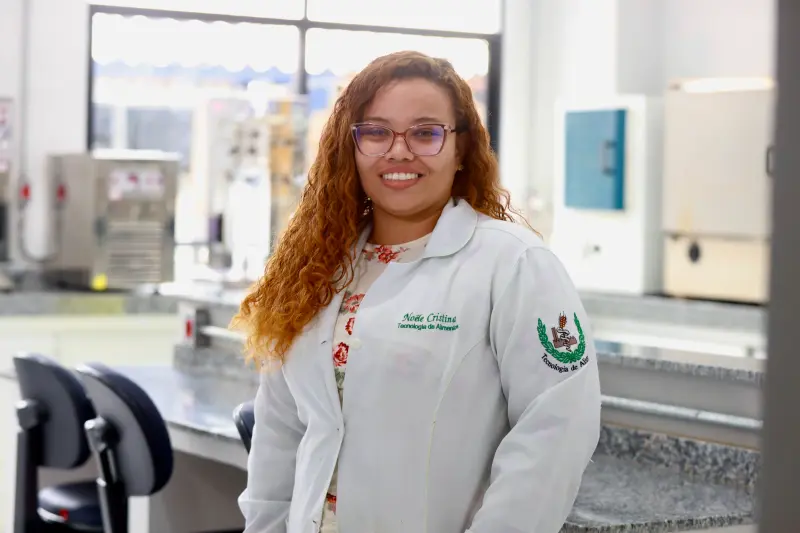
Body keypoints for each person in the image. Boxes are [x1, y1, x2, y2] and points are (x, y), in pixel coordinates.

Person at [233, 50, 601, 533]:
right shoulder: (317, 270)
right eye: (377, 132)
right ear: (351, 146)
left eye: (425, 133)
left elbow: (556, 429)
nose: (399, 152)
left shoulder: (513, 263)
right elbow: (280, 432)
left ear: (461, 148)